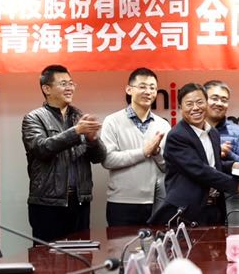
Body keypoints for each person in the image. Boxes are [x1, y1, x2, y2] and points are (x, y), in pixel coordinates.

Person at [150, 83, 239, 225]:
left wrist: (233, 166)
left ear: (206, 103)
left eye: (200, 102)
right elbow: (199, 170)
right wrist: (237, 185)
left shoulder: (213, 133)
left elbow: (212, 164)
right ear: (180, 107)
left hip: (214, 209)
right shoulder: (177, 136)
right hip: (187, 211)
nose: (195, 108)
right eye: (189, 104)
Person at [21, 65, 107, 242]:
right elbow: (42, 148)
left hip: (80, 201)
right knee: (48, 255)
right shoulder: (34, 118)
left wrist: (92, 139)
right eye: (63, 84)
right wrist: (75, 132)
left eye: (71, 83)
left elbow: (99, 157)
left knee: (80, 254)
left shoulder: (78, 117)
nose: (69, 88)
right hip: (48, 204)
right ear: (47, 89)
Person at [100, 68, 170, 226]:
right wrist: (143, 152)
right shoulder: (112, 121)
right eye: (142, 86)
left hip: (157, 202)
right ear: (129, 89)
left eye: (152, 88)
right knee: (122, 242)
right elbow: (108, 160)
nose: (148, 92)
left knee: (157, 242)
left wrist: (157, 153)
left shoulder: (163, 125)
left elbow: (169, 166)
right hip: (122, 202)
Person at [204, 80, 239, 225]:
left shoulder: (235, 131)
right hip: (199, 198)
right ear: (203, 100)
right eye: (214, 98)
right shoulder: (193, 129)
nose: (219, 103)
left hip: (230, 197)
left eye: (224, 100)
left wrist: (229, 153)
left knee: (234, 235)